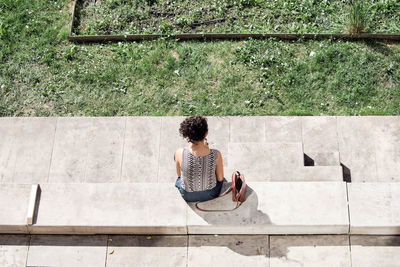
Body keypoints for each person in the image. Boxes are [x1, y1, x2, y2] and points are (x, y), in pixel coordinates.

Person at [174, 115, 224, 202]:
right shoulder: (216, 154)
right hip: (210, 194)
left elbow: (179, 175)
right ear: (206, 133)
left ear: (187, 134)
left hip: (187, 196)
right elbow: (220, 178)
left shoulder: (179, 153)